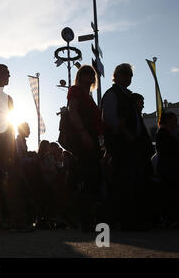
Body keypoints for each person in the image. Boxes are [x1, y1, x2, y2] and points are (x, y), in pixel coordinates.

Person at [102, 63, 151, 231]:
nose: (127, 77)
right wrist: (124, 131)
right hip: (121, 144)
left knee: (133, 180)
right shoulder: (112, 94)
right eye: (124, 73)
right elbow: (108, 118)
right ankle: (124, 220)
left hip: (133, 144)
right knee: (123, 181)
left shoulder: (128, 96)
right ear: (116, 75)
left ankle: (133, 218)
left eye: (129, 74)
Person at [67, 65, 104, 232]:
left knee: (93, 178)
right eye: (85, 73)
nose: (89, 76)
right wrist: (83, 133)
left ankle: (88, 218)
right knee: (88, 177)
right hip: (84, 138)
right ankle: (84, 220)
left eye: (91, 73)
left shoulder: (89, 98)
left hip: (93, 139)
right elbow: (72, 111)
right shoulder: (75, 91)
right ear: (79, 76)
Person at [156, 112, 179, 226]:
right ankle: (171, 218)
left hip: (168, 167)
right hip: (168, 168)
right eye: (174, 119)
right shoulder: (164, 133)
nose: (176, 122)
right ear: (168, 120)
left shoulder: (167, 132)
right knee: (171, 193)